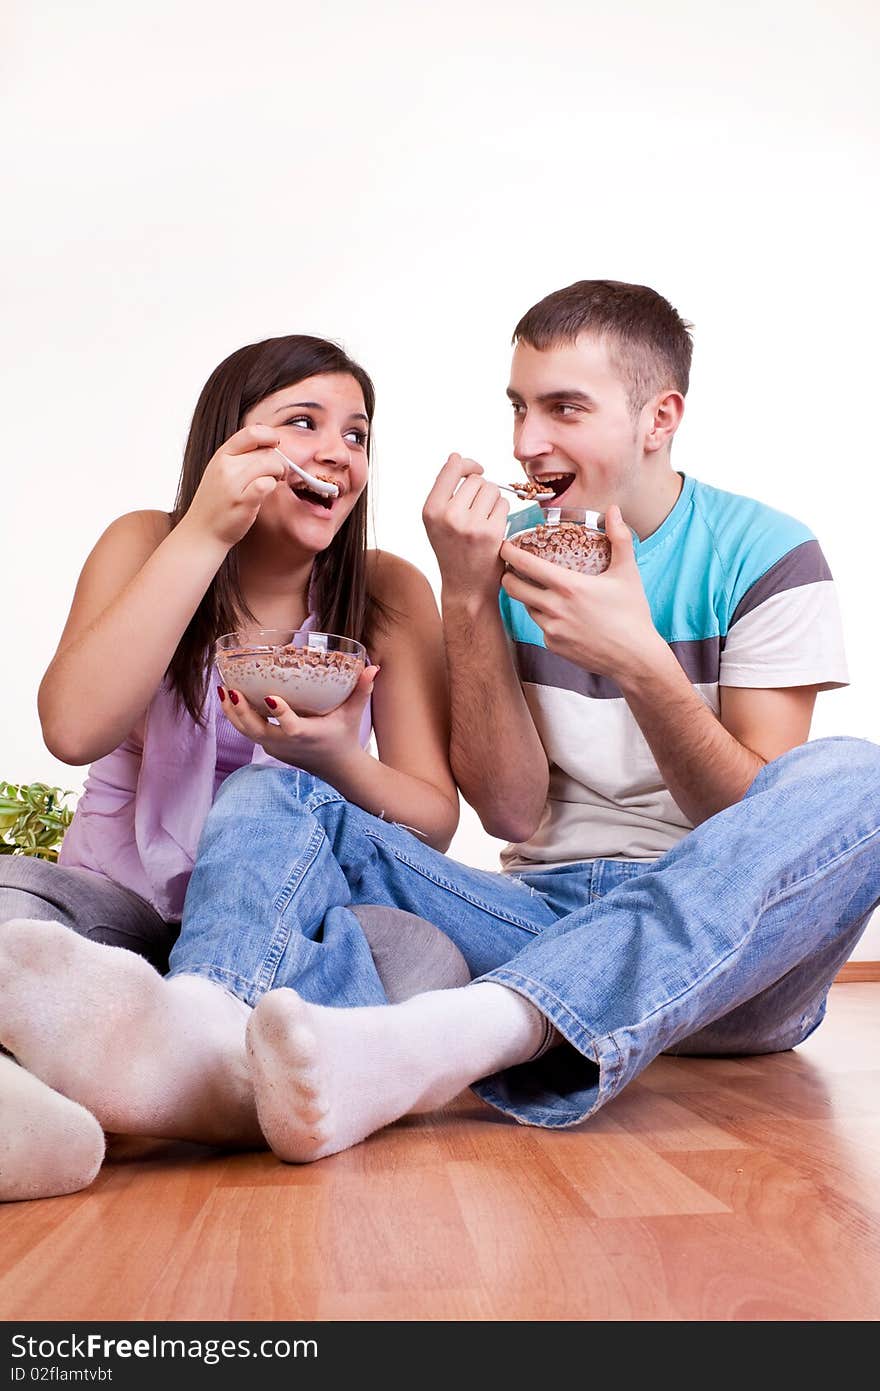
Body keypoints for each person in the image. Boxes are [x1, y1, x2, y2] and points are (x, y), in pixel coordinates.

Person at [3, 283, 879, 1170]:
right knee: (278, 789)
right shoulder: (501, 557)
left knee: (860, 776)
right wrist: (467, 591)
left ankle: (471, 1030)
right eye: (519, 408)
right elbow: (509, 814)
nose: (526, 444)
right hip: (534, 917)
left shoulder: (769, 553)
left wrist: (639, 658)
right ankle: (210, 1032)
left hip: (739, 960)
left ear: (660, 417)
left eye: (563, 408)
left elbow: (763, 833)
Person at [0, 334, 459, 1199]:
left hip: (280, 922)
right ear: (226, 444)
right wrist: (208, 530)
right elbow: (71, 727)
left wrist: (330, 759)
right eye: (303, 422)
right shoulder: (148, 543)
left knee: (426, 952)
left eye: (357, 435)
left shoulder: (387, 589)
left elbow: (432, 815)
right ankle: (53, 1113)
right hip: (122, 910)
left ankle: (146, 1074)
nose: (339, 452)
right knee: (8, 902)